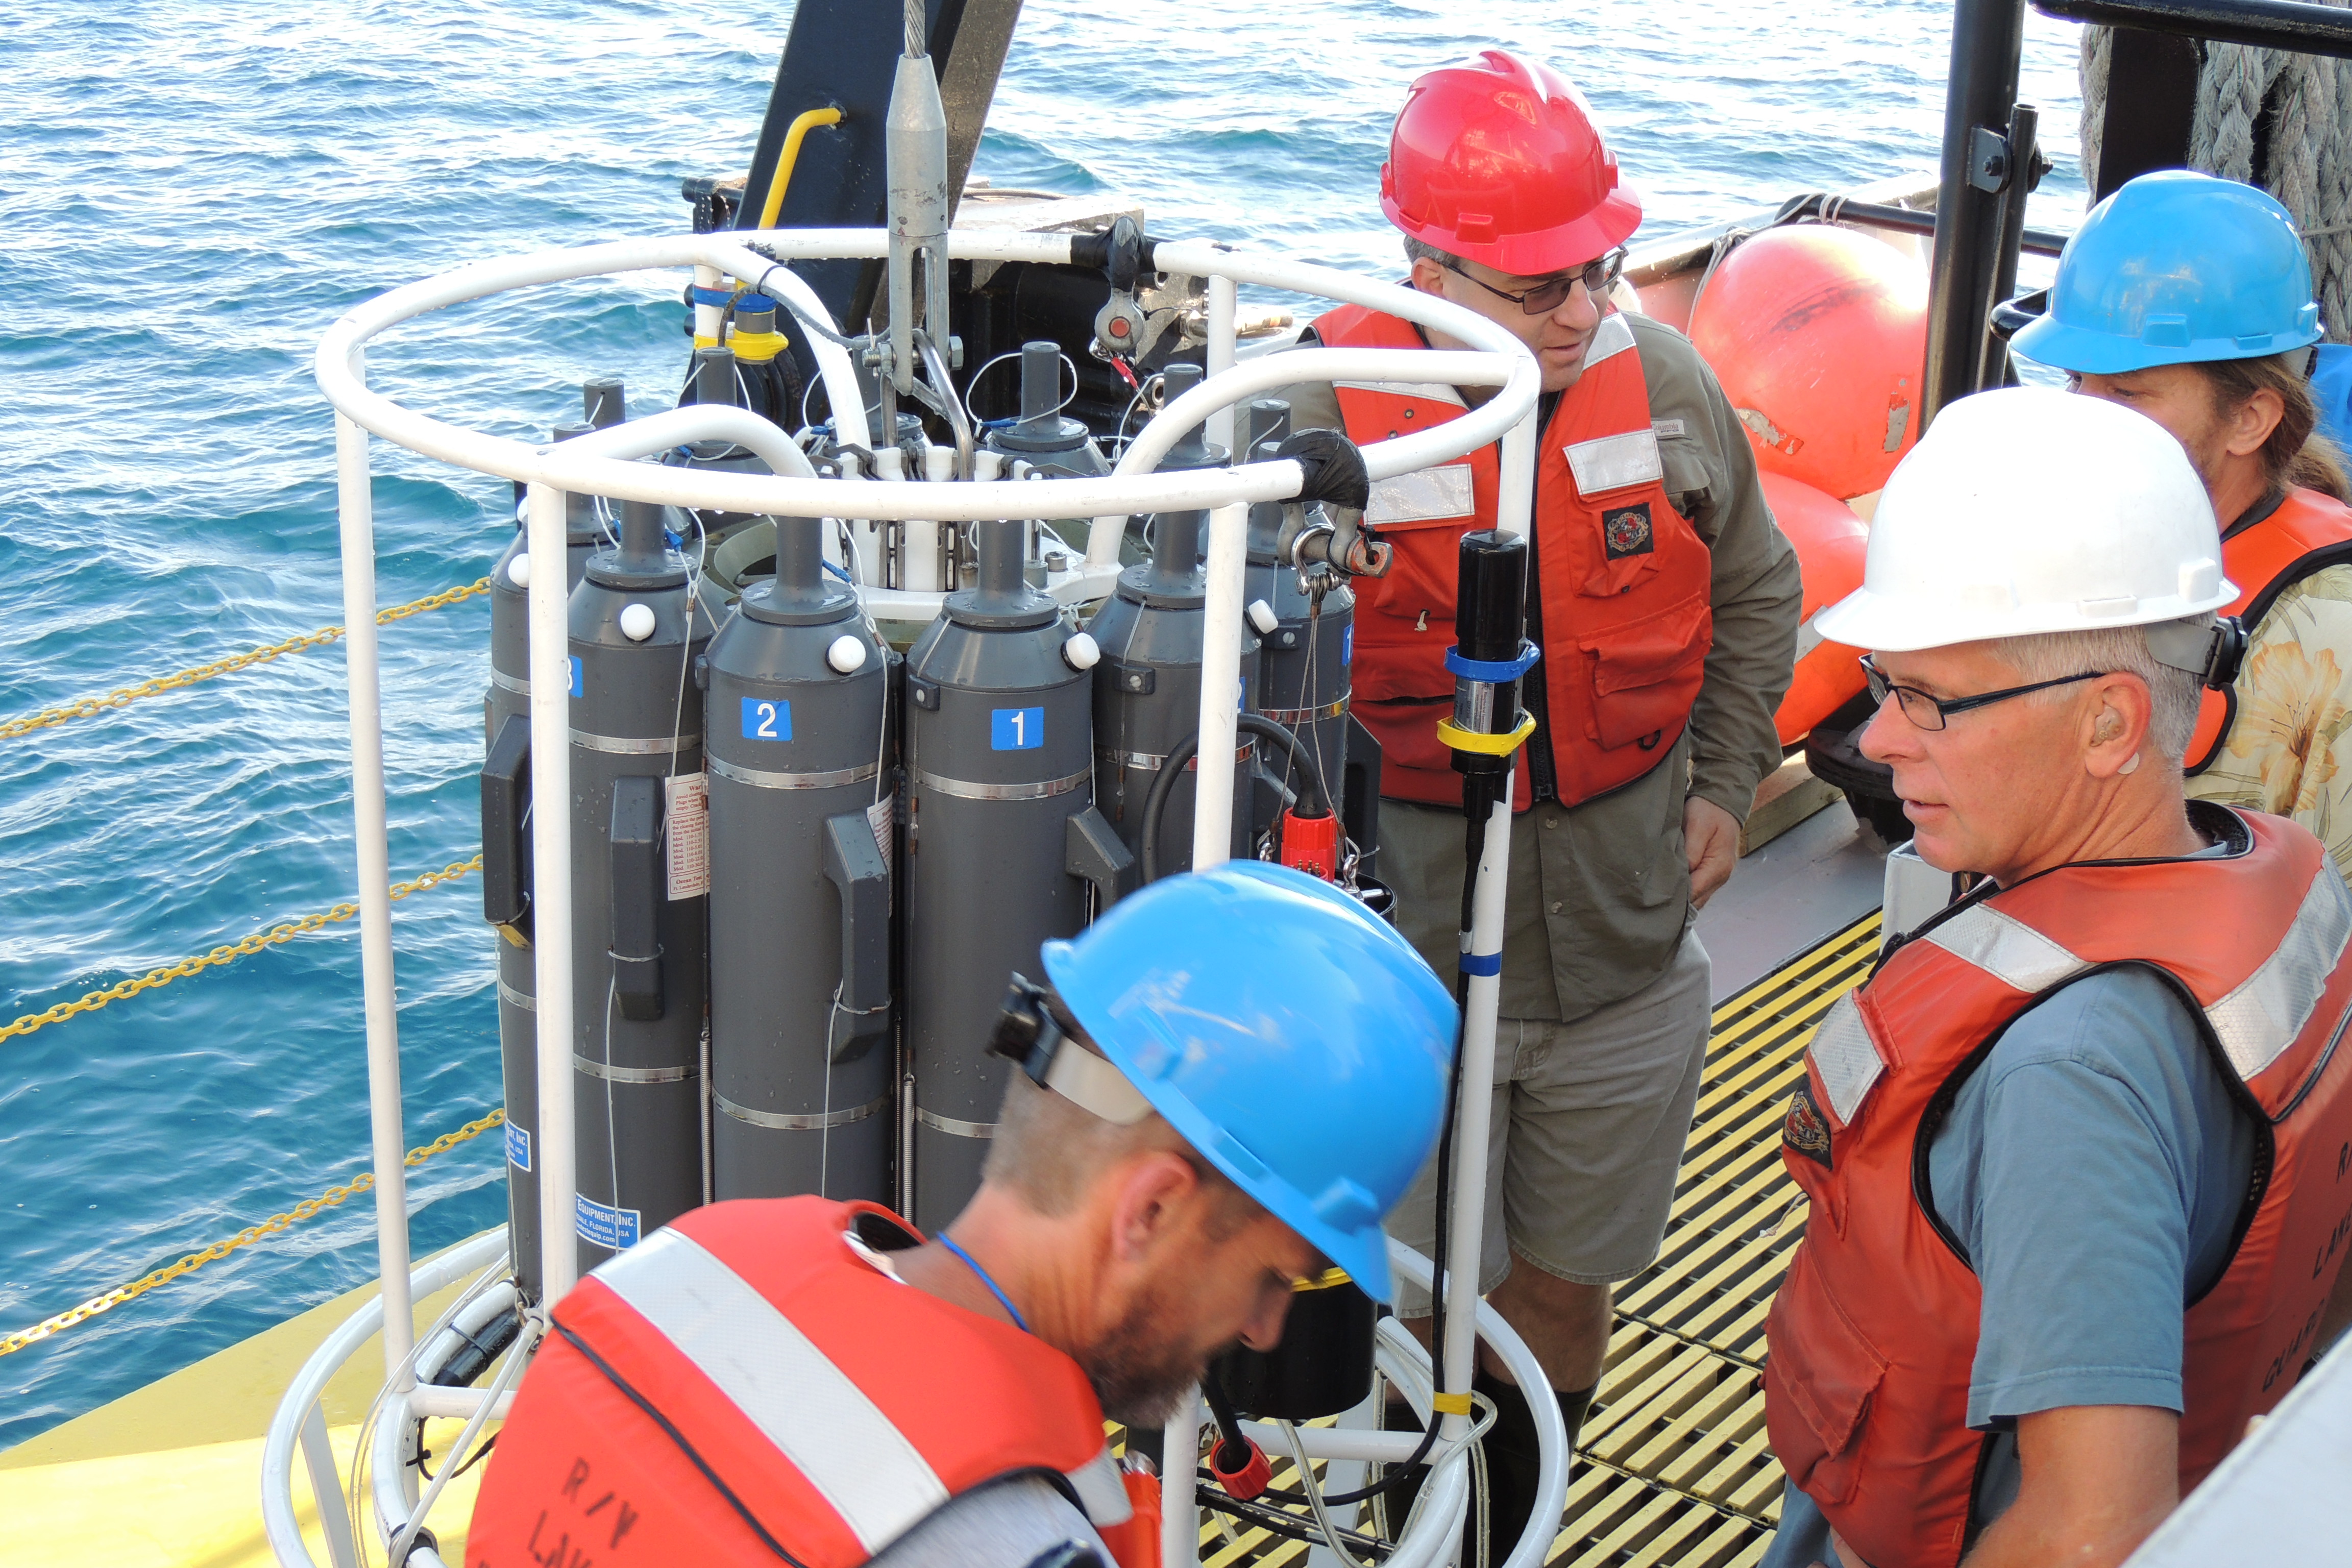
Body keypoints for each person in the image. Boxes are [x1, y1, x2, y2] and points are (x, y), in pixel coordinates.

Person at [1269, 47, 1801, 1545]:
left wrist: (1728, 779)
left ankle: (1510, 1530)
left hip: (1628, 951)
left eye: (1602, 270)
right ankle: (1391, 1525)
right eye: (1537, 286)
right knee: (1398, 1299)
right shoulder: (1313, 406)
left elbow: (1760, 590)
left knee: (1564, 1290)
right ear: (1424, 263)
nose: (1581, 312)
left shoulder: (1666, 378)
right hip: (1408, 969)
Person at [1758, 386, 2352, 1568]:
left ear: (2108, 724)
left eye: (1928, 701)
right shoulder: (2279, 880)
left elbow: (2092, 1528)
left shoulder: (2065, 1080)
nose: (1875, 739)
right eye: (1884, 686)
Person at [463, 862, 1458, 1568]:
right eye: (1271, 1276)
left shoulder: (678, 1269)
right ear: (1150, 1210)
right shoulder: (1021, 1547)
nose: (1265, 1327)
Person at [2013, 168, 2352, 876]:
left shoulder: (2333, 632)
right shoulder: (2068, 546)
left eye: (2128, 392)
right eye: (2078, 382)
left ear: (2251, 418)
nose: (2084, 417)